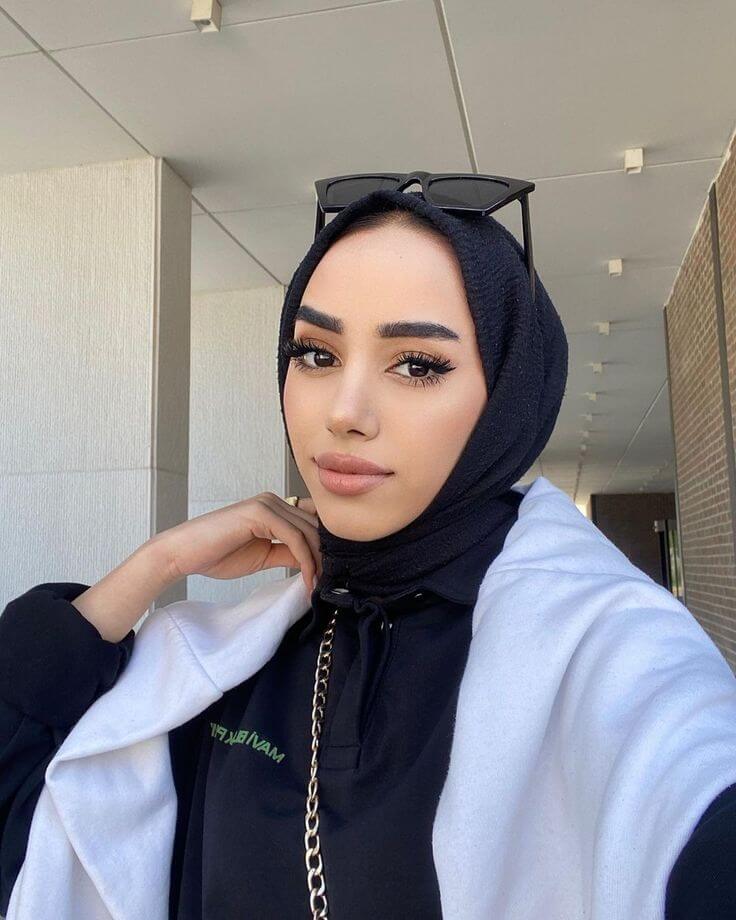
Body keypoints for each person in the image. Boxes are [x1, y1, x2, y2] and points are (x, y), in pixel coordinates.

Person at [1, 186, 735, 920]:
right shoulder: (225, 665)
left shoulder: (606, 650)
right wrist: (155, 565)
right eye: (316, 354)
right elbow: (33, 829)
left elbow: (688, 779)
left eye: (416, 364)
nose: (343, 413)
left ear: (509, 394)